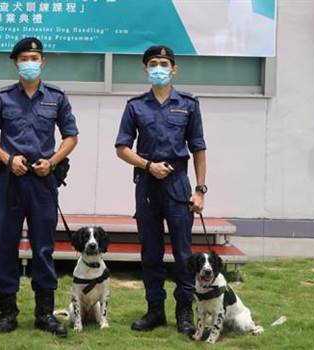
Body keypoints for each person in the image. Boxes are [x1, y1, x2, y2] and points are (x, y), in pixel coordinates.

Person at [0, 37, 78, 338]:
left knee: (44, 248)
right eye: (24, 58)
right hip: (9, 181)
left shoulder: (57, 97)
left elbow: (71, 136)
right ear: (15, 63)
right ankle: (7, 312)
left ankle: (44, 314)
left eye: (34, 57)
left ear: (42, 61)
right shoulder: (1, 98)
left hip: (42, 181)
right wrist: (8, 159)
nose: (29, 63)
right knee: (6, 246)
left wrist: (52, 160)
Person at [114, 45, 207, 336]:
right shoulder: (135, 106)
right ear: (146, 69)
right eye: (153, 63)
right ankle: (155, 309)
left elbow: (199, 149)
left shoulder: (189, 104)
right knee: (150, 251)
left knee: (183, 252)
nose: (158, 68)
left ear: (174, 68)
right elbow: (122, 148)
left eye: (164, 63)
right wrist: (147, 165)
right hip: (147, 184)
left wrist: (200, 190)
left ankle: (184, 311)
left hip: (178, 184)